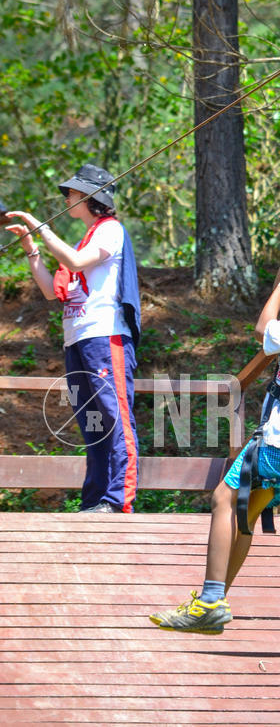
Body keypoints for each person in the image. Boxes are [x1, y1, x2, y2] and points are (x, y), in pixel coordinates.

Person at [149, 204, 280, 634]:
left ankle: (210, 598)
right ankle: (212, 602)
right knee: (243, 515)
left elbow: (263, 330)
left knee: (223, 501)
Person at [5, 164, 141, 514]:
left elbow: (78, 262)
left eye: (72, 192)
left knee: (114, 416)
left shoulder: (110, 230)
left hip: (104, 336)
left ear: (89, 197)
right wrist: (31, 246)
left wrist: (43, 227)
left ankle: (118, 500)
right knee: (91, 422)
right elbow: (53, 291)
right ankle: (96, 499)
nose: (67, 197)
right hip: (77, 340)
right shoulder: (85, 236)